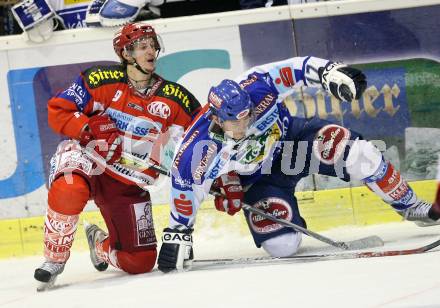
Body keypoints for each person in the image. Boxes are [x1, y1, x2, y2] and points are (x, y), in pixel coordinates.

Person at [156, 56, 440, 272]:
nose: (244, 123)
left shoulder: (256, 86)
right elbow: (185, 194)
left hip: (295, 142)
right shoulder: (197, 148)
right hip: (262, 179)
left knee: (359, 153)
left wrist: (330, 73)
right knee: (282, 246)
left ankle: (411, 206)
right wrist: (178, 235)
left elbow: (297, 68)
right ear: (216, 118)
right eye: (235, 121)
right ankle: (289, 220)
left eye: (248, 115)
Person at [34, 21, 201, 288]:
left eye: (153, 46)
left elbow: (202, 138)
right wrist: (87, 128)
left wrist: (214, 176)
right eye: (143, 47)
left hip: (127, 180)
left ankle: (99, 246)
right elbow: (58, 109)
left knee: (141, 261)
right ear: (126, 54)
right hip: (87, 158)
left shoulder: (176, 98)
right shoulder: (100, 79)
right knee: (68, 189)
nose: (151, 52)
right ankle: (53, 260)